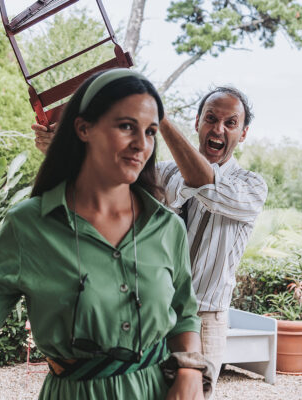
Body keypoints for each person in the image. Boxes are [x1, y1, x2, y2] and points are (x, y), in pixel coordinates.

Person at [0, 69, 214, 400]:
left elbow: (183, 313)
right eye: (126, 126)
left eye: (150, 131)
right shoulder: (30, 226)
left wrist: (189, 373)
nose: (141, 144)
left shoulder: (167, 227)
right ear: (83, 129)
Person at [33, 85, 268, 383]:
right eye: (210, 118)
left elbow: (203, 181)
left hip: (205, 319)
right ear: (197, 123)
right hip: (148, 311)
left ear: (243, 133)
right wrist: (61, 150)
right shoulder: (164, 173)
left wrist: (160, 115)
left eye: (230, 123)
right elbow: (104, 185)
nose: (218, 129)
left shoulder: (251, 186)